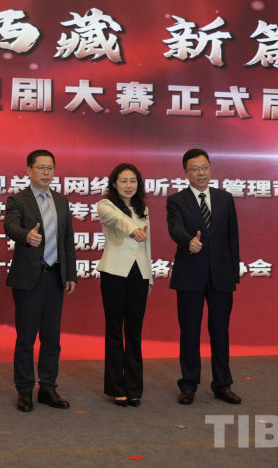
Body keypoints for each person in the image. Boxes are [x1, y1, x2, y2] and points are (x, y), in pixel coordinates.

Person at [166, 148, 241, 405]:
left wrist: (233, 273)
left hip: (221, 276)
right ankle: (189, 385)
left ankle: (222, 385)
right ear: (185, 173)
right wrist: (189, 241)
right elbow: (175, 228)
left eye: (205, 167)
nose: (201, 172)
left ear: (210, 168)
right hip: (190, 274)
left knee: (220, 332)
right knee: (189, 332)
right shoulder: (177, 200)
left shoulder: (224, 198)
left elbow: (232, 237)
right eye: (195, 168)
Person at [4, 149, 76, 412]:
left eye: (50, 168)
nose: (46, 172)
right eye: (41, 167)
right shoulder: (17, 200)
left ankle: (48, 388)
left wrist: (70, 275)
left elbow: (67, 239)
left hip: (55, 276)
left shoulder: (61, 201)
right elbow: (10, 226)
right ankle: (24, 390)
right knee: (26, 337)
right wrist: (26, 236)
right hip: (28, 279)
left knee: (52, 337)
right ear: (29, 170)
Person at [96, 163, 153, 407]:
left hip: (139, 274)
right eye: (124, 181)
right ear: (114, 184)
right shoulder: (105, 205)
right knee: (114, 330)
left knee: (134, 331)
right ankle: (116, 387)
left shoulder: (143, 208)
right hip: (114, 273)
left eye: (133, 181)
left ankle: (134, 387)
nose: (129, 186)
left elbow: (147, 246)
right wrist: (135, 230)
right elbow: (119, 220)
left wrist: (149, 277)